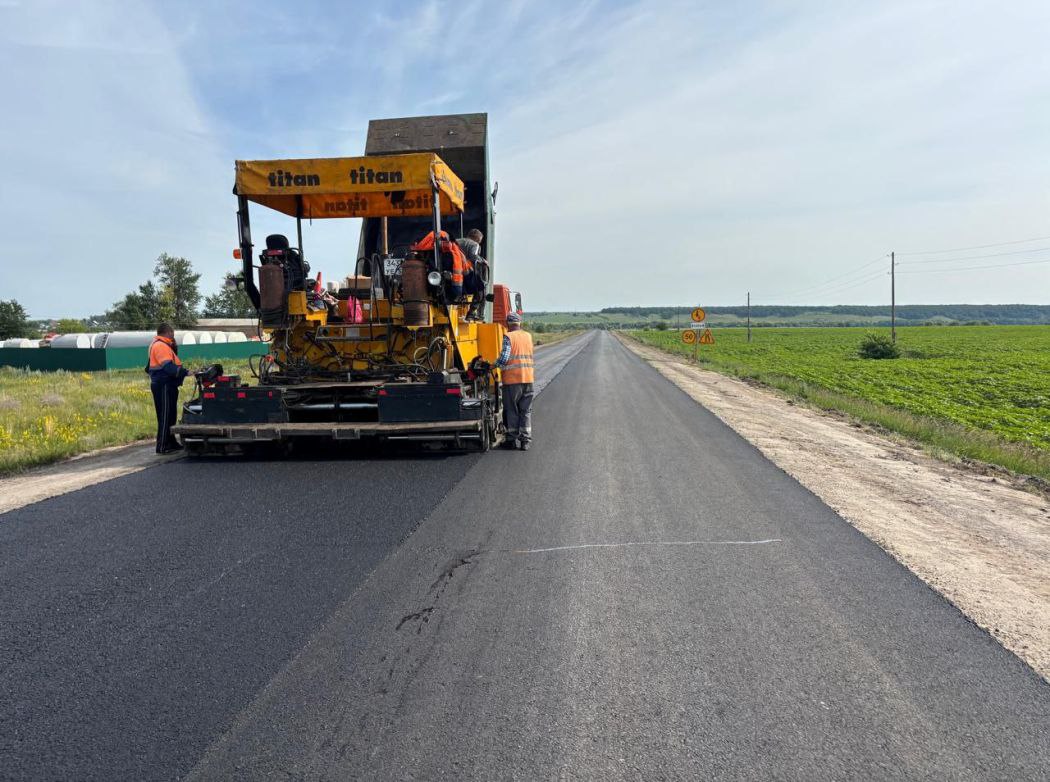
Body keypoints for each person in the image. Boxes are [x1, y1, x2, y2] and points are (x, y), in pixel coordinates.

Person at [494, 312, 535, 450]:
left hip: (512, 380)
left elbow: (504, 358)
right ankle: (525, 441)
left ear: (507, 324)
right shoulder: (528, 336)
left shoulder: (508, 336)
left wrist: (492, 365)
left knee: (512, 410)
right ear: (520, 323)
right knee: (526, 410)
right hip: (528, 379)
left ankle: (511, 440)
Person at [146, 324, 189, 454]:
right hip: (163, 384)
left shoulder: (163, 345)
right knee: (165, 416)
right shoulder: (160, 346)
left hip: (168, 384)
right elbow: (168, 367)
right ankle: (162, 446)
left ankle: (171, 442)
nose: (173, 335)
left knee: (171, 415)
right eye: (172, 332)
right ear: (168, 332)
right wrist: (186, 372)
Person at [456, 229, 488, 322]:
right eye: (480, 240)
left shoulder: (456, 242)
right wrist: (483, 261)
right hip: (466, 274)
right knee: (481, 291)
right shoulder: (474, 245)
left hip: (454, 274)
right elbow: (474, 257)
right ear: (476, 238)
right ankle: (473, 314)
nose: (480, 242)